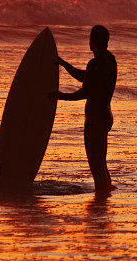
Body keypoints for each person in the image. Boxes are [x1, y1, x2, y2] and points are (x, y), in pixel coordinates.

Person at [49, 25, 117, 193]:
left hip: (95, 118)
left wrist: (59, 96)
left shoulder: (95, 63)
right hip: (106, 115)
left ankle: (101, 200)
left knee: (96, 165)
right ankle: (106, 195)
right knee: (101, 162)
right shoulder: (110, 60)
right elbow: (87, 77)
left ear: (92, 42)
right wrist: (65, 65)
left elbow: (85, 92)